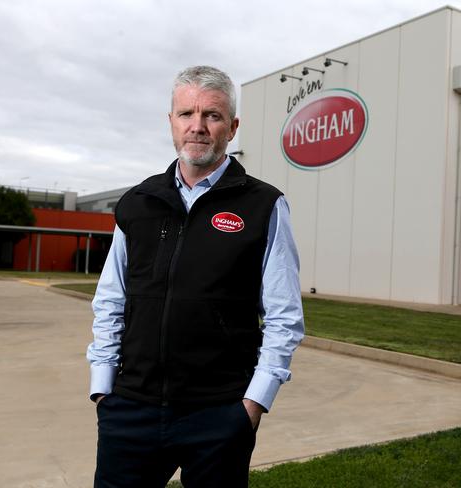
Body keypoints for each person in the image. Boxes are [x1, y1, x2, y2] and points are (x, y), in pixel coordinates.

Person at [87, 65, 304, 488]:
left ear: (232, 127)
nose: (198, 127)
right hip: (131, 408)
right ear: (171, 121)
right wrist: (103, 388)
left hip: (219, 414)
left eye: (213, 115)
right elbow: (111, 298)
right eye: (187, 114)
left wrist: (253, 403)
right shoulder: (139, 202)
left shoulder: (264, 205)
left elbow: (284, 316)